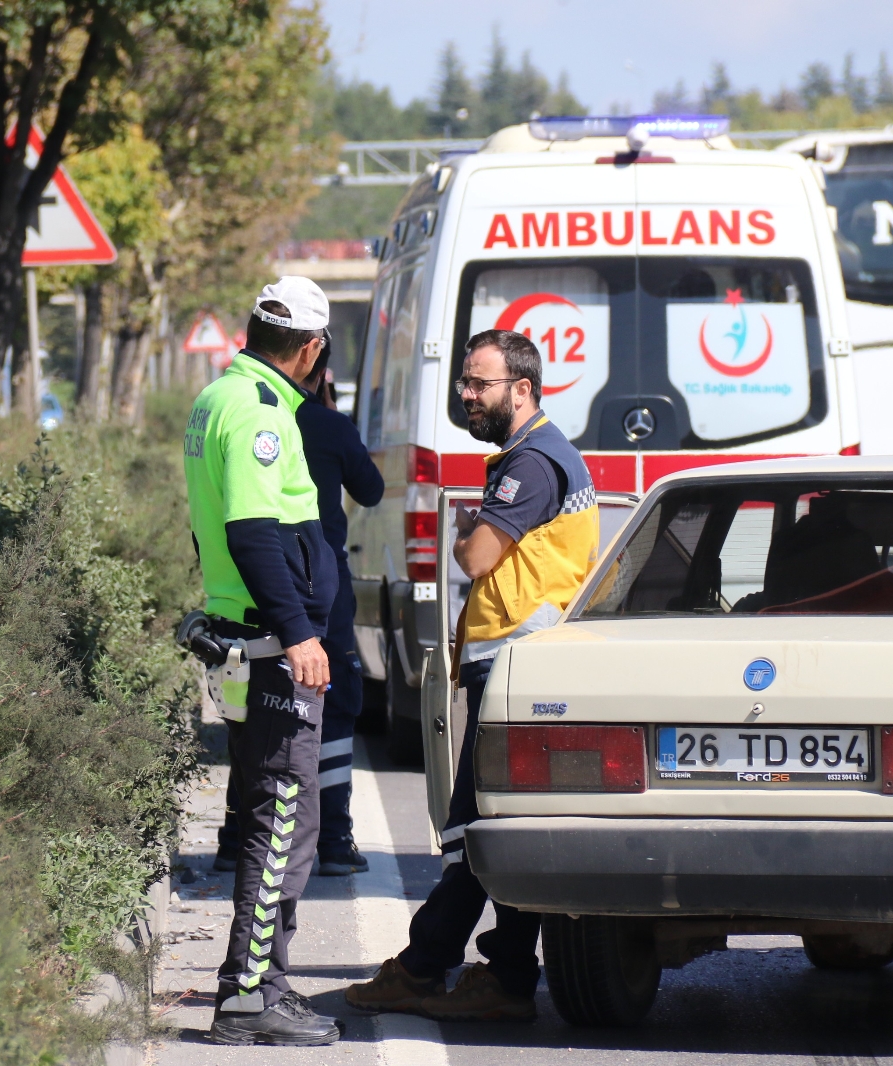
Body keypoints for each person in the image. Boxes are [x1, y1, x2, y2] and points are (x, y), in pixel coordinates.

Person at [343, 328, 599, 1023]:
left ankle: (429, 968)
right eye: (464, 383)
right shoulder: (534, 455)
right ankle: (501, 976)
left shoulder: (533, 463)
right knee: (497, 825)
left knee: (477, 826)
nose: (467, 396)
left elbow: (476, 557)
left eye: (478, 384)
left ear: (522, 389)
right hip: (520, 660)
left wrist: (464, 531)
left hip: (519, 662)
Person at [183, 276, 342, 1046]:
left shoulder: (219, 397)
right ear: (311, 350)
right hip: (275, 648)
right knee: (281, 820)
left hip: (251, 638)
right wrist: (300, 633)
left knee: (277, 814)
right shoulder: (258, 414)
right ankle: (248, 997)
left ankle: (261, 986)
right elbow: (252, 532)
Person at [214, 337, 384, 876]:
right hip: (316, 591)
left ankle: (236, 833)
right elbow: (372, 489)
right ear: (316, 368)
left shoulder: (236, 408)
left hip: (246, 589)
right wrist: (334, 419)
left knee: (252, 710)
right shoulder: (324, 425)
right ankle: (332, 838)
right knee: (335, 703)